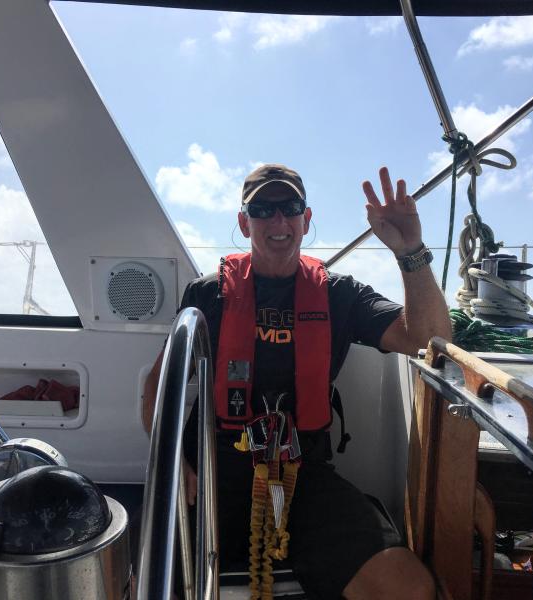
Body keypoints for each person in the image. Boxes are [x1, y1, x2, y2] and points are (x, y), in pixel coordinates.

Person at [142, 163, 451, 599]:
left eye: (289, 207)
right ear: (243, 222)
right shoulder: (207, 294)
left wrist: (411, 251)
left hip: (303, 478)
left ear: (306, 219)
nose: (278, 221)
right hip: (213, 476)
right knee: (147, 582)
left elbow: (427, 339)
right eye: (262, 209)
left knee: (407, 587)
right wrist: (178, 465)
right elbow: (156, 390)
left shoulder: (340, 294)